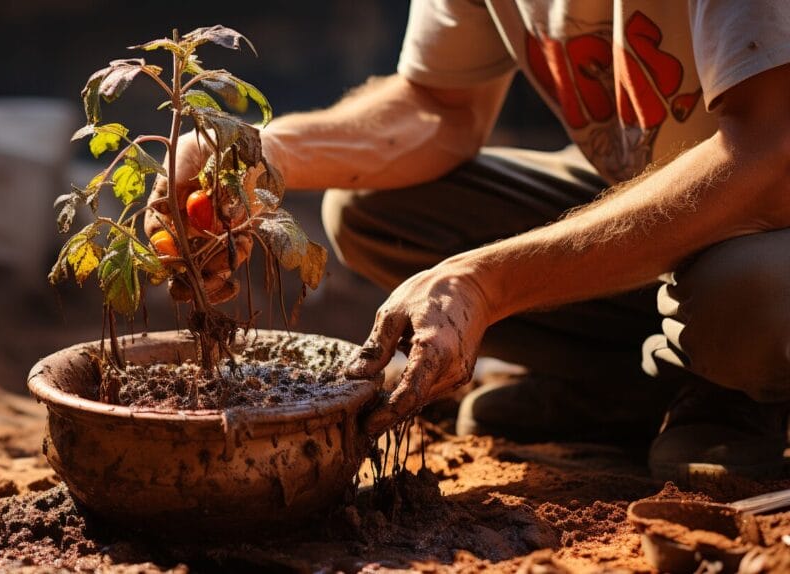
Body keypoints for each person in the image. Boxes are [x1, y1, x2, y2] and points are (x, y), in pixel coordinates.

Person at [150, 0, 790, 483]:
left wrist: (488, 282)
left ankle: (737, 398)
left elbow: (770, 156)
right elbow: (439, 107)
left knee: (752, 294)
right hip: (680, 204)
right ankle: (634, 384)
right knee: (376, 212)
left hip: (769, 207)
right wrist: (255, 154)